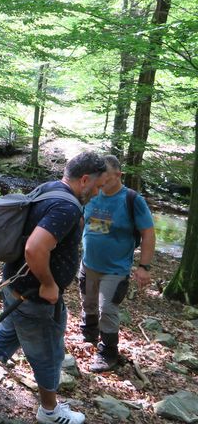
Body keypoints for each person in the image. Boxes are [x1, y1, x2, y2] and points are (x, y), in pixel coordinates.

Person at [0, 151, 107, 424]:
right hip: (34, 296)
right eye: (98, 186)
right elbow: (34, 248)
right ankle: (49, 411)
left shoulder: (50, 189)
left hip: (17, 286)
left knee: (8, 333)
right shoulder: (66, 207)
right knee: (48, 353)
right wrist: (48, 284)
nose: (98, 192)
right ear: (84, 180)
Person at [79, 155, 155, 372]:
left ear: (119, 175)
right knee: (88, 302)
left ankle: (108, 352)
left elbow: (148, 233)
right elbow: (84, 220)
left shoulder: (132, 199)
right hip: (88, 263)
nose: (102, 183)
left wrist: (144, 267)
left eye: (107, 178)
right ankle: (89, 334)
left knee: (107, 309)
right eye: (99, 178)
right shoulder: (93, 194)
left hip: (115, 269)